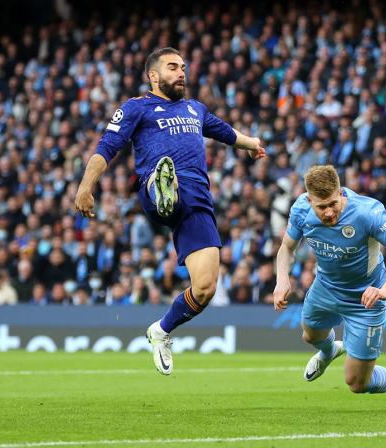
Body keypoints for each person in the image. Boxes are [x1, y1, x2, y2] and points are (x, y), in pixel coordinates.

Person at [74, 47, 265, 375]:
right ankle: (163, 188)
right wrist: (85, 186)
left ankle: (160, 331)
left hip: (198, 202)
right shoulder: (137, 108)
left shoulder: (196, 109)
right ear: (153, 75)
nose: (181, 72)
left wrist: (253, 144)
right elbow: (106, 148)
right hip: (156, 188)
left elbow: (227, 133)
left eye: (183, 67)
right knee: (164, 181)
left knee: (206, 287)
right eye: (173, 67)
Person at [273, 165, 386, 412]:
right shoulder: (300, 210)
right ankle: (330, 351)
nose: (329, 212)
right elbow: (287, 248)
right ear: (309, 201)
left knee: (357, 383)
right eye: (321, 207)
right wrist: (282, 279)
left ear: (341, 193)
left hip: (366, 299)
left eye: (333, 203)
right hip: (326, 288)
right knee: (310, 335)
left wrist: (384, 290)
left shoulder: (368, 213)